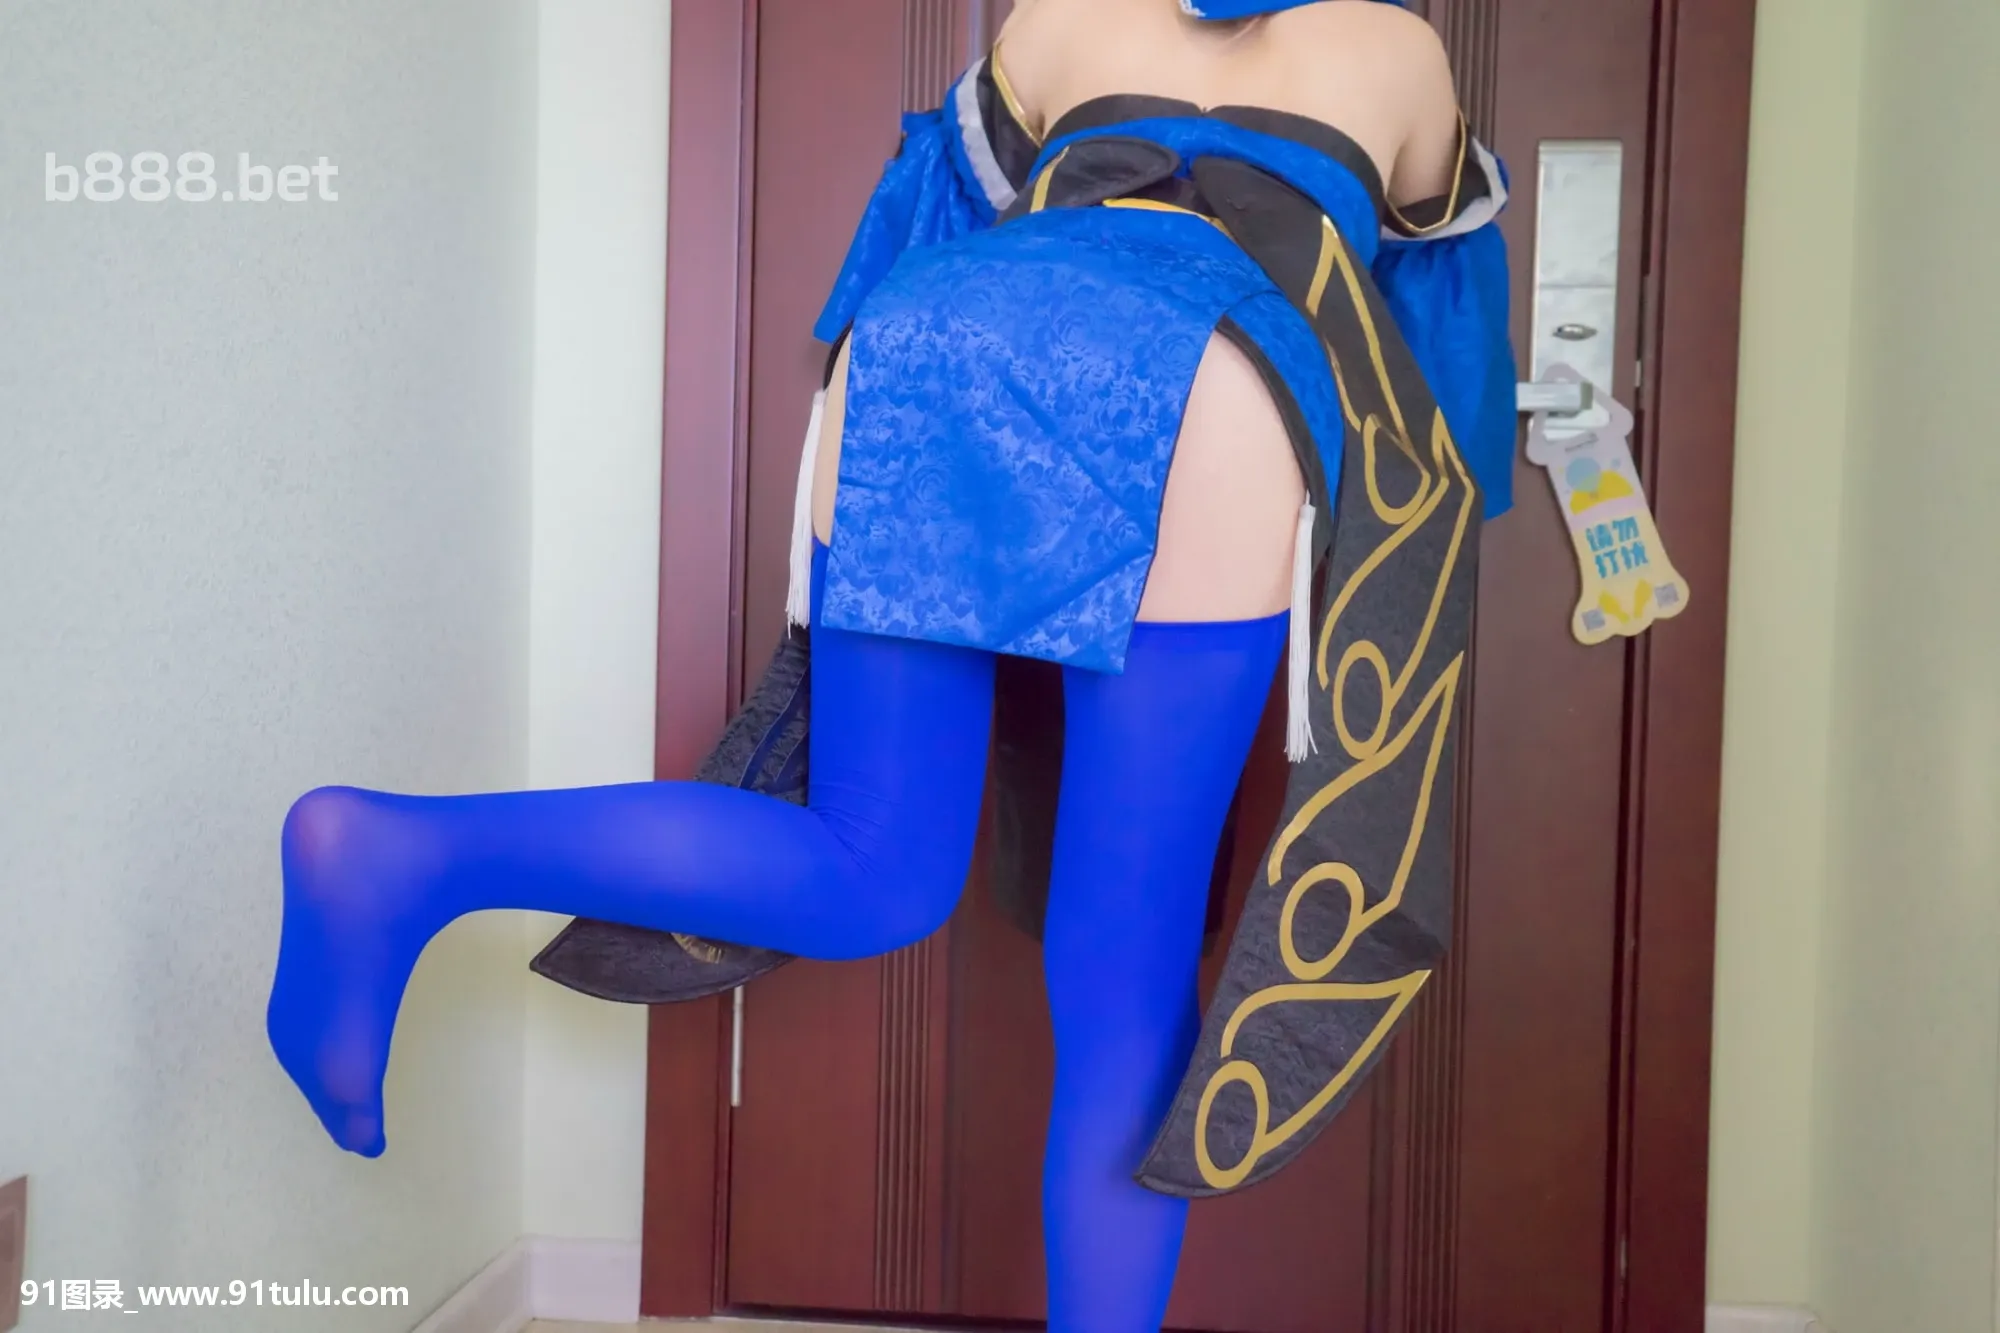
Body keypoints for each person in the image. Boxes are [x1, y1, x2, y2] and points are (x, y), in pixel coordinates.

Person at [265, 3, 1515, 1329]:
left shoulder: (1062, 12)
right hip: (1213, 373)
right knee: (1124, 969)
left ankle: (405, 853)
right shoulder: (1396, 46)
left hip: (932, 335)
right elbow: (1420, 333)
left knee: (869, 863)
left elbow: (932, 219)